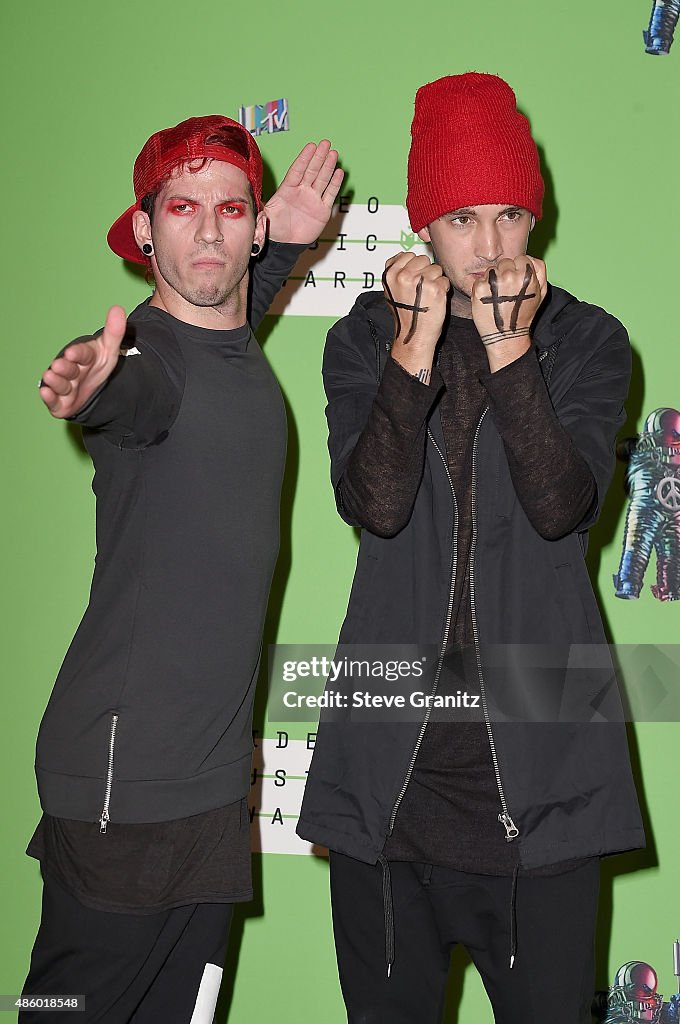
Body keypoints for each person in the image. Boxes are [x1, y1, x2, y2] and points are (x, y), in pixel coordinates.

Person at [297, 73, 645, 1024]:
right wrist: (412, 362)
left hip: (547, 792)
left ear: (534, 217)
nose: (489, 246)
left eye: (509, 214)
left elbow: (559, 507)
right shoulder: (365, 340)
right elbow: (373, 506)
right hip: (388, 795)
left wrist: (508, 350)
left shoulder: (587, 341)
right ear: (424, 224)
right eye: (460, 217)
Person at [23, 114, 342, 1023]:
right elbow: (132, 385)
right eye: (181, 207)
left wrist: (275, 229)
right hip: (129, 782)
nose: (208, 230)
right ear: (145, 227)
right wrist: (95, 377)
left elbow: (232, 289)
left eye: (230, 208)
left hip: (206, 787)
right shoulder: (149, 359)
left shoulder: (227, 337)